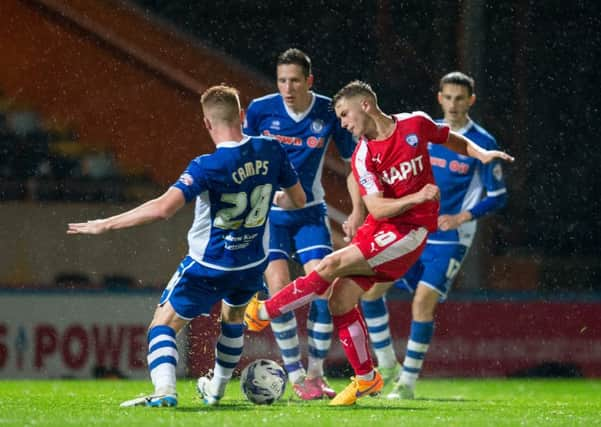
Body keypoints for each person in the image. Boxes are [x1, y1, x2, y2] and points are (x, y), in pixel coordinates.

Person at [245, 80, 514, 406]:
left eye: (345, 115)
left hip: (410, 231)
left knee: (330, 265)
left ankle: (265, 310)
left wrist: (480, 152)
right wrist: (394, 202)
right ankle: (366, 377)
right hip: (381, 226)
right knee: (340, 302)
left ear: (366, 106)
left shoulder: (415, 124)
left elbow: (450, 138)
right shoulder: (363, 156)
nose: (343, 123)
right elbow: (378, 207)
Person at [67, 85, 305, 408]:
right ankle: (216, 390)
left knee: (162, 325)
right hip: (252, 264)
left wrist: (105, 224)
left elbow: (164, 208)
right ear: (243, 116)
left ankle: (165, 391)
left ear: (207, 123)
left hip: (210, 264)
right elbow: (297, 200)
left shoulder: (206, 166)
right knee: (233, 320)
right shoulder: (272, 150)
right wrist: (271, 197)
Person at [360, 71, 509, 399]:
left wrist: (461, 217)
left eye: (460, 98)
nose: (454, 105)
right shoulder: (423, 133)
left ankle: (407, 385)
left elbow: (499, 195)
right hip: (414, 229)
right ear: (439, 98)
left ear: (471, 100)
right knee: (369, 292)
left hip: (451, 237)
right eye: (448, 97)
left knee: (422, 303)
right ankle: (387, 367)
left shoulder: (482, 143)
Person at [243, 48, 358, 400]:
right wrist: (264, 192)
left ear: (309, 80)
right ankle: (295, 376)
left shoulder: (328, 111)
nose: (287, 87)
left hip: (310, 213)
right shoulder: (261, 110)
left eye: (294, 80)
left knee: (322, 288)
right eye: (281, 80)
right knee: (279, 291)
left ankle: (316, 374)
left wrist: (357, 211)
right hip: (269, 219)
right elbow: (244, 157)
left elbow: (355, 163)